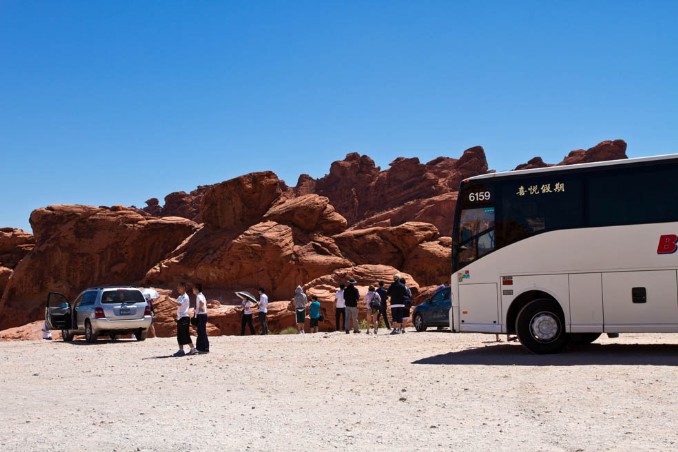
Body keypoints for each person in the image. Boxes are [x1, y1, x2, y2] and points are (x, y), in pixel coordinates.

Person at [171, 282, 197, 356]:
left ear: (183, 288)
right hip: (180, 318)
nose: (177, 288)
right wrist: (168, 300)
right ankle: (181, 350)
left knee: (185, 334)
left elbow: (178, 304)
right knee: (179, 334)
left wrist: (169, 299)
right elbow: (175, 303)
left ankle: (193, 348)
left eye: (179, 287)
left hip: (184, 317)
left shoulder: (185, 296)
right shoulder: (180, 297)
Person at [193, 283, 209, 353]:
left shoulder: (199, 296)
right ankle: (200, 348)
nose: (193, 290)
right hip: (203, 315)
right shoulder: (202, 295)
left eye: (193, 289)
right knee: (201, 332)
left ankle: (204, 348)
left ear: (196, 289)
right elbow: (205, 303)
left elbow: (202, 303)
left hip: (201, 315)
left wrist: (198, 310)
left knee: (201, 332)